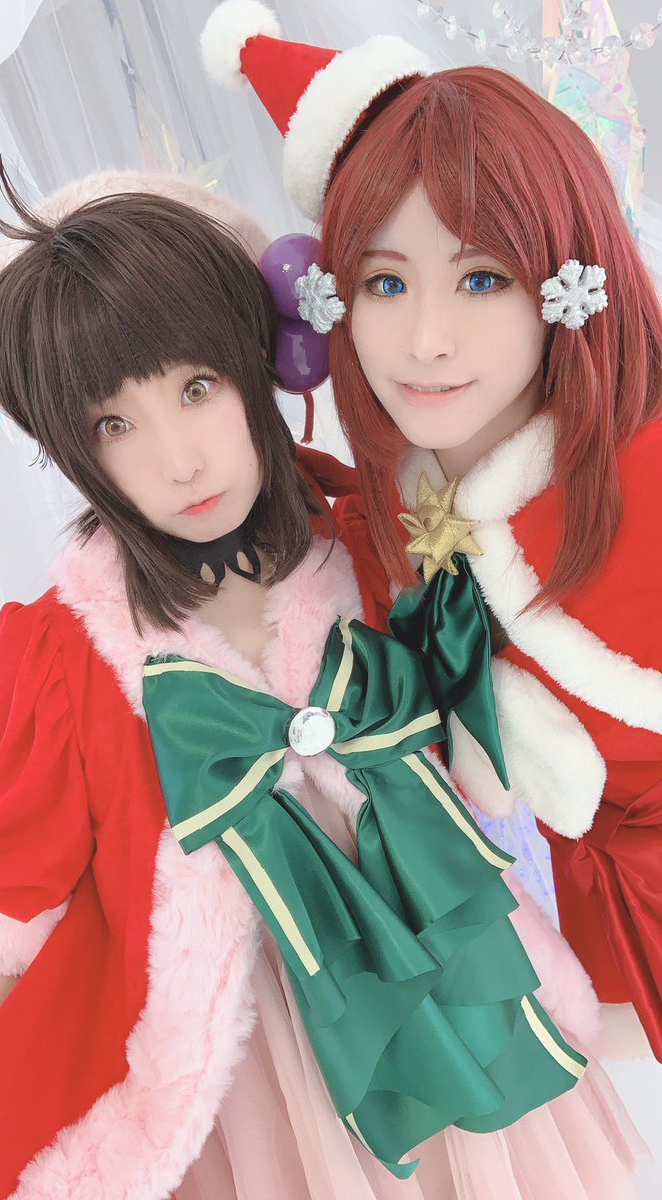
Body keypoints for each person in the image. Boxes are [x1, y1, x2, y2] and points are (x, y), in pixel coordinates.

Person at [0, 168, 644, 1200]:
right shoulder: (66, 652)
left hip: (455, 1008)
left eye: (196, 389)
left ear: (260, 361)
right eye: (113, 425)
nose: (176, 460)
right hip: (261, 1080)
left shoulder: (380, 538)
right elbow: (10, 902)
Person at [200, 0, 662, 1063]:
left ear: (565, 283)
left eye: (482, 278)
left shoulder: (641, 477)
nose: (424, 339)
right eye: (384, 282)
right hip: (578, 959)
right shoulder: (381, 515)